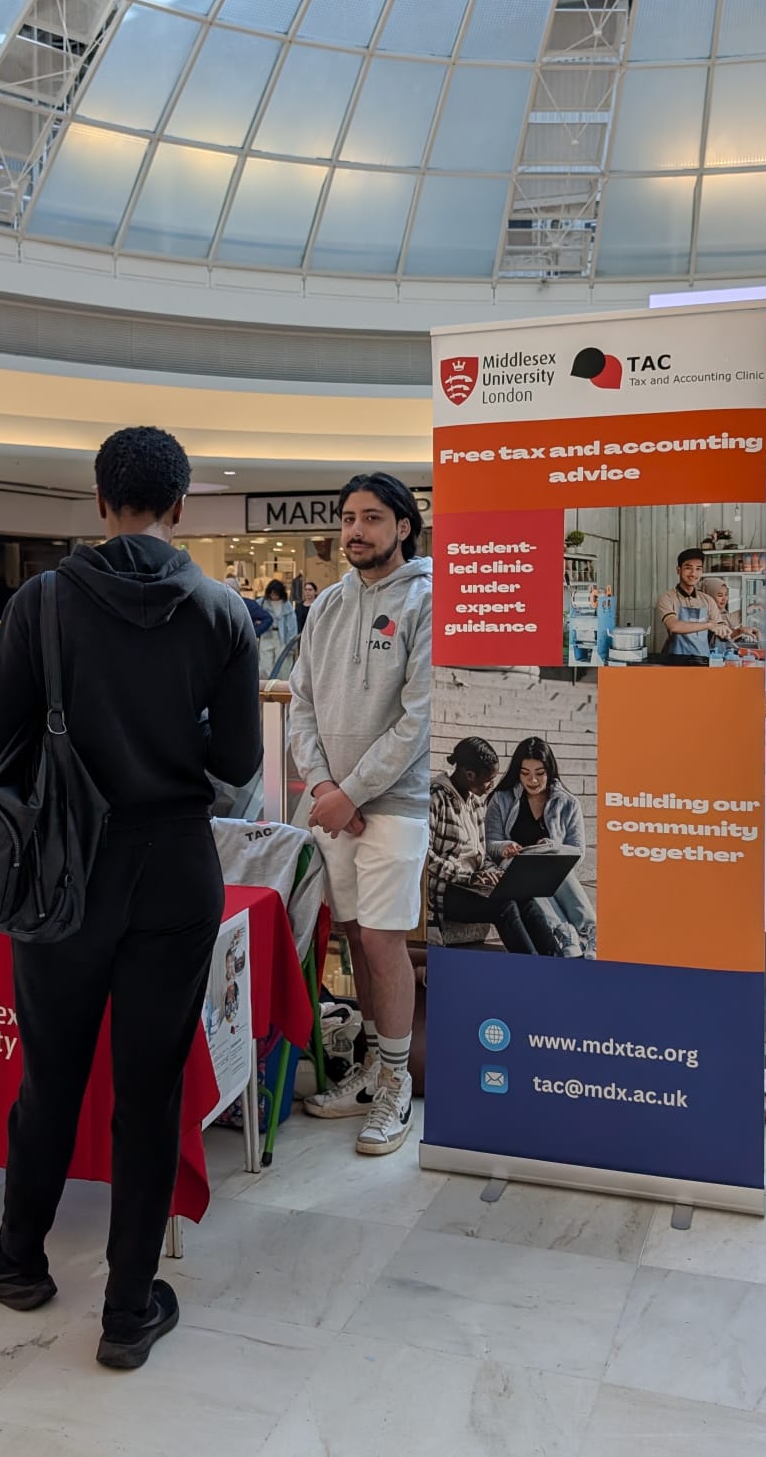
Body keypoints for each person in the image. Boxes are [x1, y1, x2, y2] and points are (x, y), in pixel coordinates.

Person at [0, 425, 259, 1372]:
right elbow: (238, 762)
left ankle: (20, 1256)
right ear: (181, 504)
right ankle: (128, 1308)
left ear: (98, 500)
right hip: (175, 869)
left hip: (63, 871)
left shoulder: (41, 602)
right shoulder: (223, 611)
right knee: (151, 1089)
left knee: (50, 1074)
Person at [290, 472, 432, 1156]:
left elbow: (418, 721)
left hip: (396, 804)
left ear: (403, 526)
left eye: (372, 518)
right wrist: (323, 787)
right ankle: (374, 1068)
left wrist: (351, 793)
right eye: (348, 517)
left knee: (382, 941)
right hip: (332, 805)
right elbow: (303, 703)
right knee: (349, 934)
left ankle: (399, 1082)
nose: (356, 530)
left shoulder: (427, 599)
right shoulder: (328, 605)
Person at [430, 738, 565, 958]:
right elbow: (425, 859)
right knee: (504, 905)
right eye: (488, 780)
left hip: (471, 885)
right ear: (469, 774)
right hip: (445, 891)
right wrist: (469, 877)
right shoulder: (435, 799)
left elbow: (480, 853)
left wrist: (492, 872)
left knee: (522, 896)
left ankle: (556, 963)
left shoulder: (474, 802)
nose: (491, 786)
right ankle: (532, 970)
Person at [486, 736, 594, 958]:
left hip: (554, 870)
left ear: (550, 770)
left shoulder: (568, 803)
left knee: (553, 862)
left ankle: (592, 934)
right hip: (515, 867)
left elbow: (577, 851)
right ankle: (564, 933)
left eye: (539, 773)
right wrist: (505, 846)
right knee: (530, 874)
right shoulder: (501, 799)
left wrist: (554, 847)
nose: (532, 780)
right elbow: (488, 843)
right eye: (525, 773)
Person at [655, 548, 730, 664]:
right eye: (688, 568)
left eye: (698, 569)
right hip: (675, 660)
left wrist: (740, 631)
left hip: (703, 660)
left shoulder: (708, 600)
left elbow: (721, 631)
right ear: (678, 570)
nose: (693, 573)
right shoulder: (667, 598)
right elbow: (673, 626)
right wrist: (709, 625)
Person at [257, 578, 297, 678]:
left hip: (283, 636)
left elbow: (292, 626)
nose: (273, 595)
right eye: (272, 593)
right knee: (265, 664)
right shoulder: (261, 603)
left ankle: (280, 688)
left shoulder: (286, 605)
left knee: (283, 664)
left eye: (276, 593)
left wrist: (292, 645)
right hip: (266, 635)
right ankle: (265, 688)